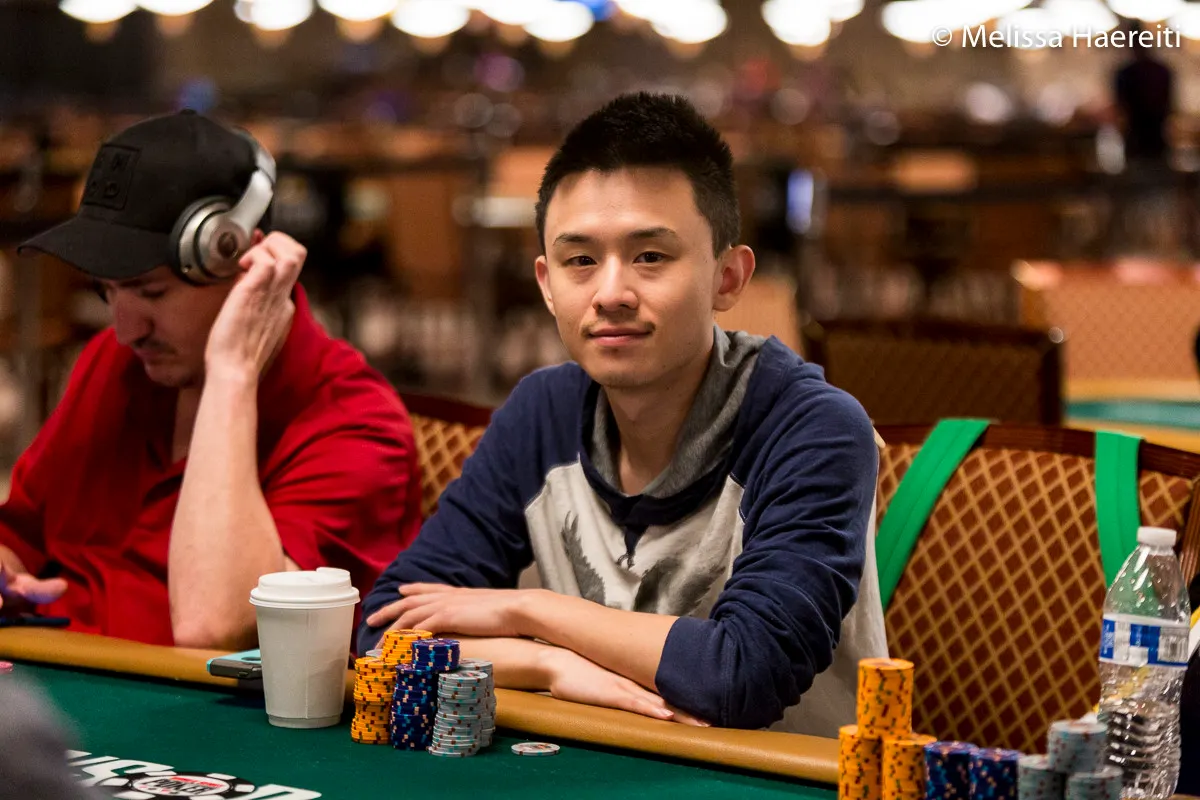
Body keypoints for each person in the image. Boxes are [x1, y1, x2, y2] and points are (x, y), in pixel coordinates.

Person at [358, 93, 887, 734]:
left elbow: (742, 675)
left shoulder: (812, 428)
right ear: (547, 284)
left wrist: (531, 612)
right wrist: (546, 665)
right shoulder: (542, 414)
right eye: (580, 260)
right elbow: (384, 632)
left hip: (777, 775)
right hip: (593, 768)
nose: (611, 293)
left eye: (650, 256)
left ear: (727, 277)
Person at [0, 111, 423, 649]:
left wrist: (231, 373)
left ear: (243, 259)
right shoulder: (114, 360)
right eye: (107, 291)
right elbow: (19, 535)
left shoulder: (357, 425)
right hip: (52, 676)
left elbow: (217, 626)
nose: (126, 330)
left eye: (151, 293)